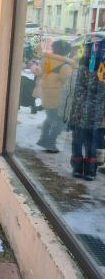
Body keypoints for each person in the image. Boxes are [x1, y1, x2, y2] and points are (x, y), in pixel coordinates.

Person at [64, 40, 105, 181]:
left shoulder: (80, 71)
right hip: (94, 115)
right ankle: (90, 171)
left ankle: (77, 168)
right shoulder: (102, 73)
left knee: (78, 142)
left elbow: (74, 94)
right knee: (90, 143)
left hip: (80, 113)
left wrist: (68, 114)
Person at [35, 40, 76, 153]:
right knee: (60, 122)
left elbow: (39, 73)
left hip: (46, 95)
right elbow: (69, 83)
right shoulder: (66, 65)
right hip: (58, 98)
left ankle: (43, 139)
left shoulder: (46, 60)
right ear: (66, 51)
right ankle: (50, 142)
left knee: (50, 118)